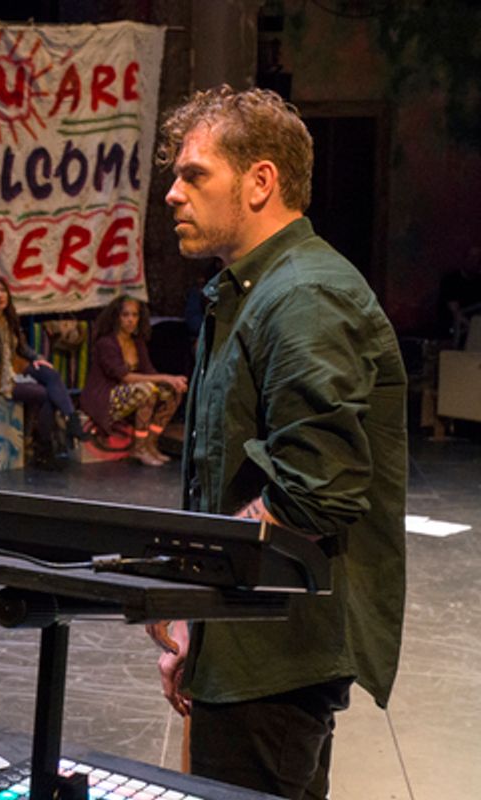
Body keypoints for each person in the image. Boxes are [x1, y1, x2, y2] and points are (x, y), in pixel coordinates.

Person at [147, 86, 407, 799]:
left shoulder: (303, 296)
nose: (172, 193)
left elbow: (315, 491)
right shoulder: (251, 292)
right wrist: (199, 625)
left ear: (260, 181)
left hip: (276, 655)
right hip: (242, 640)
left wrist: (200, 586)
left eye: (193, 174)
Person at [0, 275, 86, 465]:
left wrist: (37, 358)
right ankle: (44, 447)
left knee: (51, 374)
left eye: (2, 290)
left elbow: (22, 348)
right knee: (45, 395)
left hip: (17, 364)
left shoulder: (10, 316)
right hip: (0, 375)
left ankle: (72, 419)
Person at [78, 295, 187, 466]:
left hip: (130, 395)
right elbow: (125, 377)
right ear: (117, 317)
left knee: (171, 392)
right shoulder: (106, 343)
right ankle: (139, 447)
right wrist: (166, 377)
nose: (130, 320)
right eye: (125, 315)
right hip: (105, 397)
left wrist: (171, 382)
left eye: (134, 315)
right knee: (147, 390)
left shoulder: (137, 343)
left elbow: (149, 371)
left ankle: (151, 443)